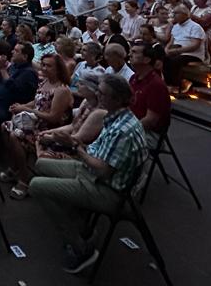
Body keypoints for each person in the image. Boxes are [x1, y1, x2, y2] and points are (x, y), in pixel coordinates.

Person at [29, 74, 149, 275]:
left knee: (36, 186)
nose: (98, 96)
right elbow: (97, 153)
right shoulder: (115, 117)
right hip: (90, 171)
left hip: (107, 189)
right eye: (99, 92)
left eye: (103, 94)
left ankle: (80, 247)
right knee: (41, 164)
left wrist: (75, 147)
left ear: (118, 99)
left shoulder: (122, 130)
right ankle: (79, 221)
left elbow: (103, 169)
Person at [0, 53, 73, 199]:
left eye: (48, 66)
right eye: (43, 64)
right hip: (35, 121)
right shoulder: (45, 82)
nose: (44, 68)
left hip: (49, 130)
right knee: (4, 126)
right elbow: (37, 101)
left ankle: (24, 180)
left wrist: (27, 110)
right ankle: (15, 167)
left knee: (15, 135)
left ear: (58, 69)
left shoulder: (61, 90)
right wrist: (21, 106)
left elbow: (54, 117)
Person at [37, 69, 106, 160]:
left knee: (40, 145)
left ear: (91, 88)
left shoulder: (98, 112)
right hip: (68, 140)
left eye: (81, 84)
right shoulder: (85, 102)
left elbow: (78, 139)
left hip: (79, 150)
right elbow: (73, 126)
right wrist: (50, 132)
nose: (77, 85)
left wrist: (51, 137)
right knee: (38, 138)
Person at [128, 41, 171, 135]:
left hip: (148, 133)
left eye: (134, 52)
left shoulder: (156, 85)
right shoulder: (133, 78)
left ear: (147, 60)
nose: (129, 55)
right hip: (131, 125)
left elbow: (150, 121)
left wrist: (126, 130)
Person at [163, 5, 206, 91]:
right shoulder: (175, 27)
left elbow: (195, 45)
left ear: (184, 14)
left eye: (176, 13)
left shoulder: (195, 27)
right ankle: (167, 83)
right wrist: (166, 50)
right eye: (173, 13)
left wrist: (177, 51)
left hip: (192, 54)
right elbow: (171, 42)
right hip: (177, 50)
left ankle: (177, 85)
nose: (173, 15)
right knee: (161, 58)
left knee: (175, 61)